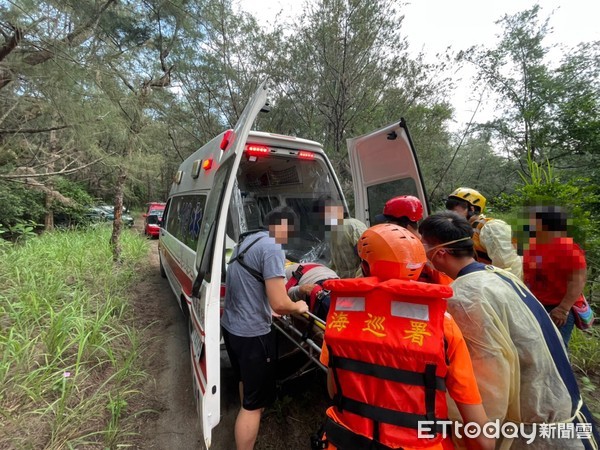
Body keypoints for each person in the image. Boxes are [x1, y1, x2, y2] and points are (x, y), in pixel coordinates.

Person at [419, 211, 599, 450]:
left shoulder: (465, 298)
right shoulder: (498, 275)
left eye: (422, 247)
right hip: (565, 408)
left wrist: (472, 436)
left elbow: (488, 386)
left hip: (541, 435)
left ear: (439, 253)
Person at [316, 223, 494, 450]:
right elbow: (479, 433)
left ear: (365, 266)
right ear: (419, 267)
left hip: (346, 441)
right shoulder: (442, 325)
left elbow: (333, 390)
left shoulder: (342, 316)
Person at [221, 206, 309, 450]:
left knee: (245, 383)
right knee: (253, 407)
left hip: (232, 328)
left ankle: (247, 410)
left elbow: (249, 286)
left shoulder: (246, 242)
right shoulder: (272, 247)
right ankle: (249, 420)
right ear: (284, 226)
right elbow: (280, 304)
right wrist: (298, 306)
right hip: (253, 335)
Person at [523, 206, 587, 347]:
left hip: (557, 309)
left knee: (557, 351)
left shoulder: (569, 249)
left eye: (533, 221)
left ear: (545, 224)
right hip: (537, 305)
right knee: (538, 349)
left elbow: (578, 280)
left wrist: (563, 309)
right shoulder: (534, 245)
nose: (529, 224)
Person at [445, 187, 522, 279]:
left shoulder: (491, 228)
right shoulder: (466, 229)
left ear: (472, 209)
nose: (451, 216)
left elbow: (509, 265)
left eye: (455, 212)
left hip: (504, 282)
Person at [316, 196, 367, 278]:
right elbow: (335, 262)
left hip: (359, 279)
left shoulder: (352, 225)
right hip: (345, 281)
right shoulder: (333, 231)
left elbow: (367, 255)